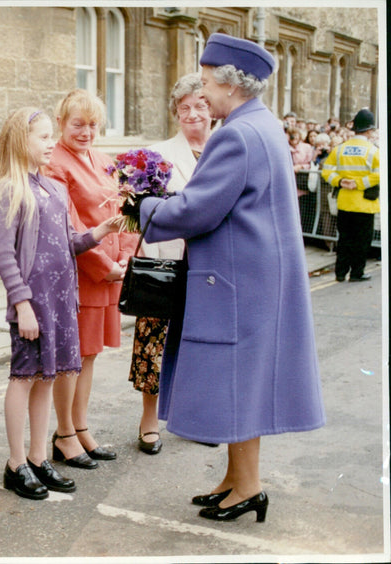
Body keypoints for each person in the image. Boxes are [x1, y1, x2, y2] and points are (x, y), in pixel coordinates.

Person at [124, 33, 325, 523]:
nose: (204, 91)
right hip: (254, 278)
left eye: (209, 82)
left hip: (238, 283)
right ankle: (237, 480)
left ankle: (249, 487)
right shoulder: (262, 125)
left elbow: (198, 209)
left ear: (232, 85)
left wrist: (142, 206)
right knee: (244, 384)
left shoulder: (235, 134)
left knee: (238, 384)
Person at [0, 107, 119, 499]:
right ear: (20, 141)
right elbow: (4, 256)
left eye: (48, 137)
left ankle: (40, 458)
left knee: (47, 379)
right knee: (23, 379)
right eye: (42, 138)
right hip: (33, 304)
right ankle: (15, 462)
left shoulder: (54, 188)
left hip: (61, 302)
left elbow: (69, 243)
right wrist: (21, 304)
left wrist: (100, 231)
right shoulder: (10, 188)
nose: (49, 144)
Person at [44, 90, 138, 468]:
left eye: (93, 124)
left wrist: (127, 257)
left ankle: (80, 427)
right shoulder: (55, 162)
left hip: (111, 272)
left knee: (89, 355)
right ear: (61, 123)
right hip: (81, 274)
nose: (85, 131)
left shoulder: (103, 160)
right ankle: (64, 433)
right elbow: (70, 226)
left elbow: (125, 210)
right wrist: (104, 265)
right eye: (77, 124)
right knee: (73, 358)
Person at [127, 73, 214, 455]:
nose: (192, 114)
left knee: (201, 345)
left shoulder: (224, 151)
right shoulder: (157, 154)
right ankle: (149, 421)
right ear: (176, 113)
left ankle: (195, 417)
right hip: (165, 262)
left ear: (212, 108)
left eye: (200, 105)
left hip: (209, 266)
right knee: (154, 343)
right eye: (184, 108)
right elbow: (137, 214)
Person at [321, 108, 380, 283]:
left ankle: (340, 273)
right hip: (364, 204)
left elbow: (326, 171)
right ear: (369, 130)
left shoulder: (339, 149)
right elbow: (379, 174)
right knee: (362, 241)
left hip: (345, 202)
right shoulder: (373, 150)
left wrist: (340, 181)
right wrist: (359, 183)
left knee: (344, 239)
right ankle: (356, 273)